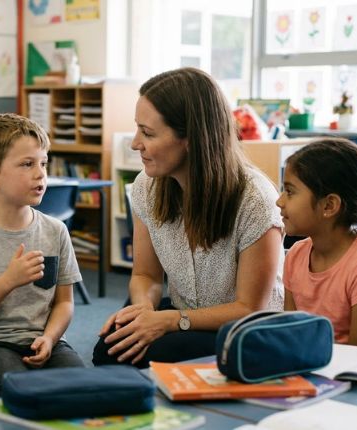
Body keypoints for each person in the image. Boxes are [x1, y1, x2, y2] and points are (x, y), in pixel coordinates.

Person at [93, 67, 284, 368]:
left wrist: (170, 321)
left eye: (148, 133)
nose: (135, 143)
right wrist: (143, 309)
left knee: (155, 353)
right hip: (183, 316)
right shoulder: (148, 185)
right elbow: (145, 276)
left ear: (191, 138)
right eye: (138, 128)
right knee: (111, 347)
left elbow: (249, 308)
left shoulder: (255, 200)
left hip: (244, 330)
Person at [0, 113, 85, 398]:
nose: (40, 173)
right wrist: (8, 281)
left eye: (43, 163)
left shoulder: (56, 231)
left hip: (46, 341)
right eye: (27, 164)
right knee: (24, 394)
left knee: (84, 390)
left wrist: (50, 337)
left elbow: (65, 303)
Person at [278, 138, 357, 350]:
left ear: (329, 205)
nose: (280, 201)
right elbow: (292, 337)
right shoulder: (296, 255)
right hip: (314, 370)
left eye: (290, 191)